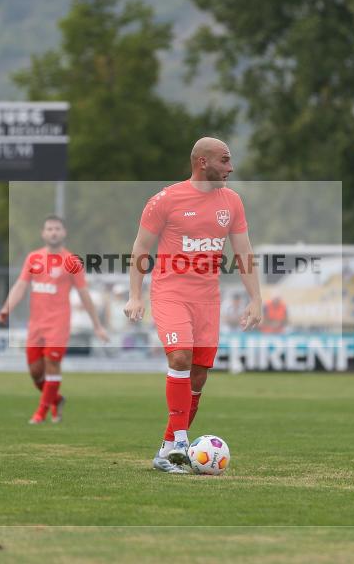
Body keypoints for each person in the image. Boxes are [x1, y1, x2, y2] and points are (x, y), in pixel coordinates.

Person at [124, 137, 262, 474]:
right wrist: (135, 294)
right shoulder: (165, 200)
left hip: (208, 299)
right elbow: (141, 248)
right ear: (202, 162)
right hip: (170, 292)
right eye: (225, 160)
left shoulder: (232, 202)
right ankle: (183, 444)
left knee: (198, 375)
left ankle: (166, 449)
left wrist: (256, 299)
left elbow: (243, 252)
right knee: (181, 356)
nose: (231, 168)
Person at [0, 216, 108, 424]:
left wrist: (97, 325)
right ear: (43, 233)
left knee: (52, 366)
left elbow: (84, 293)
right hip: (36, 324)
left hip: (58, 323)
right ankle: (56, 400)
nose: (53, 232)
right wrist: (6, 308)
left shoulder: (72, 261)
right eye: (49, 229)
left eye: (57, 228)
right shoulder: (33, 258)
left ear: (64, 232)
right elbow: (20, 286)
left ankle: (40, 413)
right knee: (35, 372)